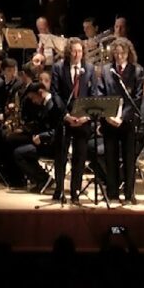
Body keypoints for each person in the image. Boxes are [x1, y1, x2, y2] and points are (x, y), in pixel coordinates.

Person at [99, 38, 144, 204]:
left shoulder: (137, 71)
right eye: (116, 53)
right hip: (109, 121)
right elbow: (100, 93)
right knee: (110, 157)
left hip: (127, 121)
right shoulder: (106, 70)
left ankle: (129, 194)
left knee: (128, 159)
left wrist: (122, 117)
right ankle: (112, 193)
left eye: (122, 53)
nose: (119, 56)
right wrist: (109, 116)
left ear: (128, 54)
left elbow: (137, 98)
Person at [49, 39, 95, 204]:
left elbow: (93, 94)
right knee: (60, 155)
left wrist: (86, 116)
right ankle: (59, 189)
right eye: (74, 51)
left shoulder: (88, 69)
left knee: (79, 157)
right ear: (69, 52)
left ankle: (75, 191)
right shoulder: (58, 68)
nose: (77, 55)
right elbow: (55, 93)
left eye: (80, 51)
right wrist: (66, 115)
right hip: (65, 118)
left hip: (82, 119)